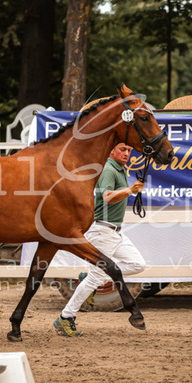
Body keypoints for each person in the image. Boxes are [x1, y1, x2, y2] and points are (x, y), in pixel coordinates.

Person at [53, 143, 146, 337]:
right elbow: (107, 197)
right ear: (111, 150)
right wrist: (130, 190)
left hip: (115, 232)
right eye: (122, 149)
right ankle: (65, 317)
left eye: (129, 150)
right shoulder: (109, 169)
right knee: (96, 277)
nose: (127, 153)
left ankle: (88, 280)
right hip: (102, 231)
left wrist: (129, 190)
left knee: (137, 264)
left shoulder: (119, 169)